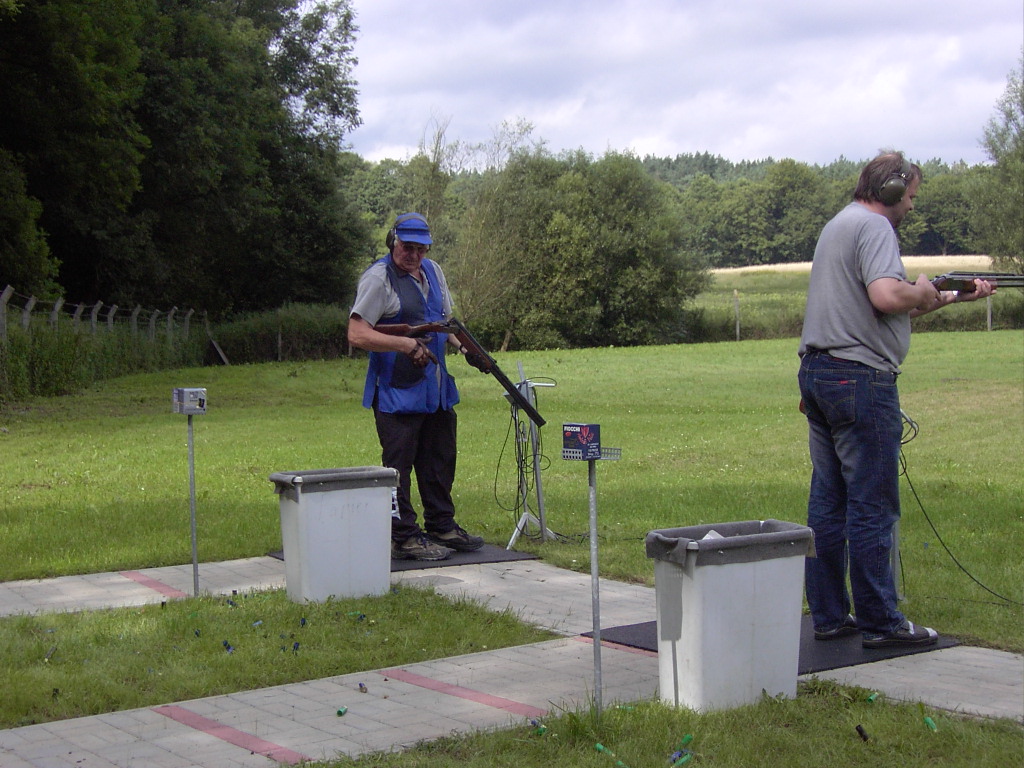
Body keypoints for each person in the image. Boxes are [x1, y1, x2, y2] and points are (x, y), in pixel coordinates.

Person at [797, 152, 994, 648]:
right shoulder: (876, 227)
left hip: (820, 373)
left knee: (829, 503)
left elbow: (877, 311)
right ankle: (882, 623)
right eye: (910, 196)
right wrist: (922, 289)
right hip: (860, 379)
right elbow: (887, 296)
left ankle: (829, 616)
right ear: (890, 191)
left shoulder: (839, 225)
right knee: (872, 505)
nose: (910, 206)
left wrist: (948, 297)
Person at [348, 212, 485, 561]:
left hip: (435, 390)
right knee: (397, 471)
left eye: (421, 249)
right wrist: (405, 344)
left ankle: (442, 526)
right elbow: (357, 334)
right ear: (393, 242)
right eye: (407, 247)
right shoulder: (378, 278)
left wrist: (468, 349)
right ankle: (403, 537)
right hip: (395, 392)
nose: (414, 255)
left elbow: (445, 322)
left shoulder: (434, 271)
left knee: (440, 460)